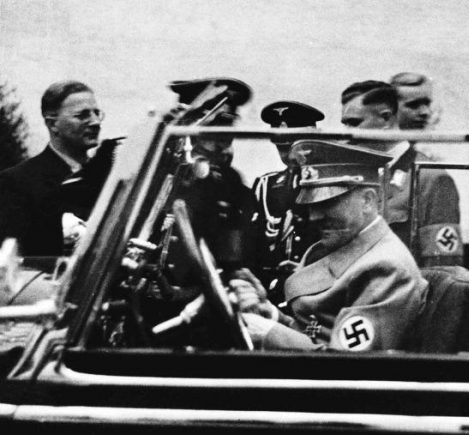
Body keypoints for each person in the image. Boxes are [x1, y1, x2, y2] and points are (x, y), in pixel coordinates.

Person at [230, 140, 429, 351]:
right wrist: (272, 315)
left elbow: (348, 362)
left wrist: (269, 333)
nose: (314, 217)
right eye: (312, 205)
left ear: (367, 201)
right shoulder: (345, 247)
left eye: (327, 203)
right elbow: (316, 331)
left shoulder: (387, 268)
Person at [340, 80, 463, 267]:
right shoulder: (354, 174)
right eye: (346, 124)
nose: (347, 133)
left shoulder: (430, 178)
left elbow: (443, 268)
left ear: (386, 118)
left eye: (355, 123)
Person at [0, 80, 109, 256]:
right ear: (53, 124)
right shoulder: (16, 183)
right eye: (82, 115)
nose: (95, 122)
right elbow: (15, 260)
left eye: (97, 113)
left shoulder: (108, 180)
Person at [167, 77, 256, 277]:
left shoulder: (229, 182)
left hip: (198, 287)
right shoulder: (157, 168)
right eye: (213, 131)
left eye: (227, 133)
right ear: (188, 125)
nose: (222, 145)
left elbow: (231, 260)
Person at [252, 100, 324, 304]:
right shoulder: (265, 187)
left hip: (317, 294)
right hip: (270, 295)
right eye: (282, 148)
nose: (290, 156)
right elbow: (252, 250)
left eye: (297, 147)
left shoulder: (333, 186)